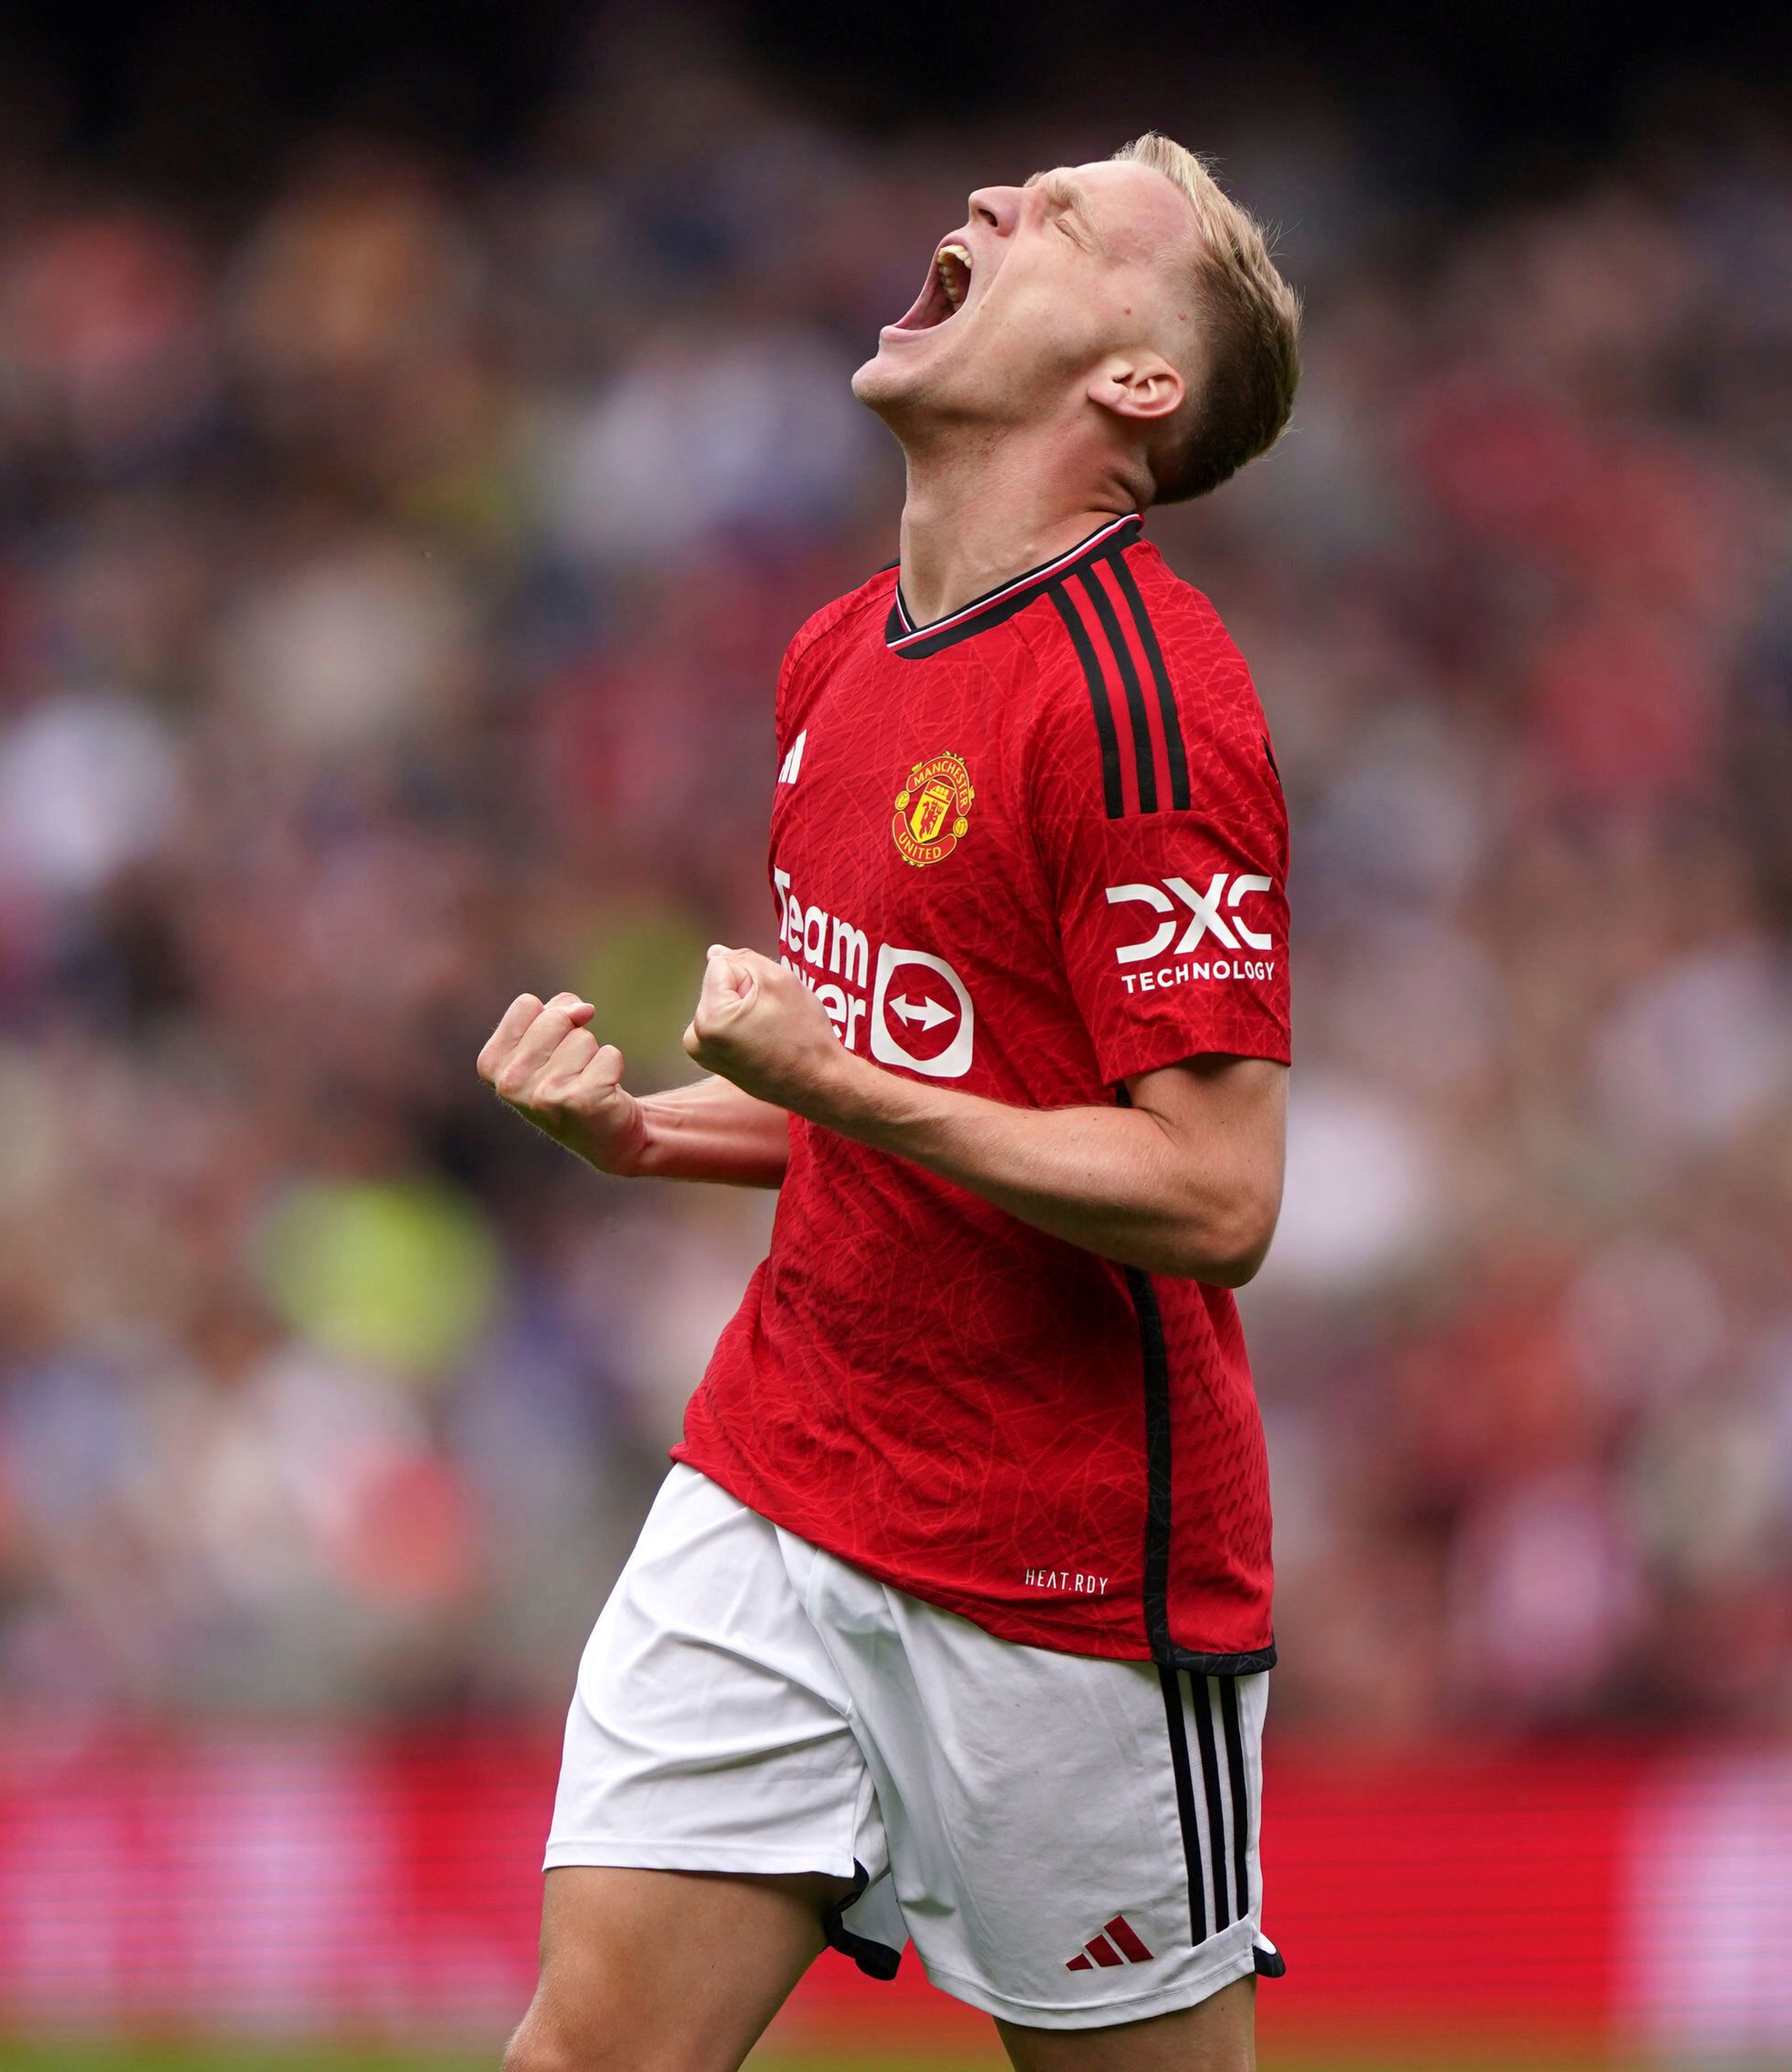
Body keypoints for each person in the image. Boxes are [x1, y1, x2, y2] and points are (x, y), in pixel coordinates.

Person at [479, 134, 1302, 2072]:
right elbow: (929, 1098)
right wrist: (648, 1132)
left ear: (1140, 384)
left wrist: (837, 1078)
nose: (999, 203)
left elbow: (1213, 1196)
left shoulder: (1147, 706)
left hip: (1062, 1571)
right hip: (779, 1477)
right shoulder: (836, 655)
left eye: (1068, 219)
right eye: (1015, 190)